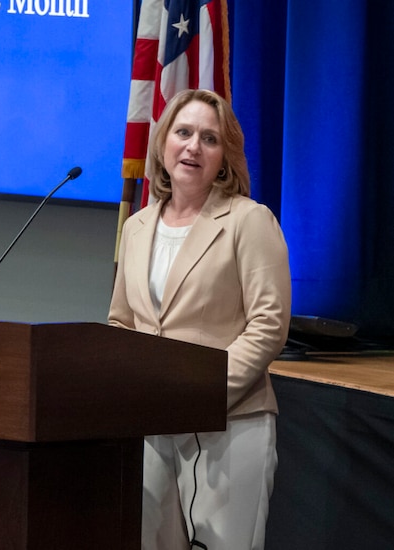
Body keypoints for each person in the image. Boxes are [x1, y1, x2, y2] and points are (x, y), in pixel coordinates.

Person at [109, 89, 291, 550]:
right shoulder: (136, 228)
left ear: (224, 157)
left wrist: (200, 394)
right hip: (149, 429)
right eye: (183, 132)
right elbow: (121, 325)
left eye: (209, 139)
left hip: (230, 425)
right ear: (163, 143)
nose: (193, 146)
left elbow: (268, 324)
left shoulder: (250, 221)